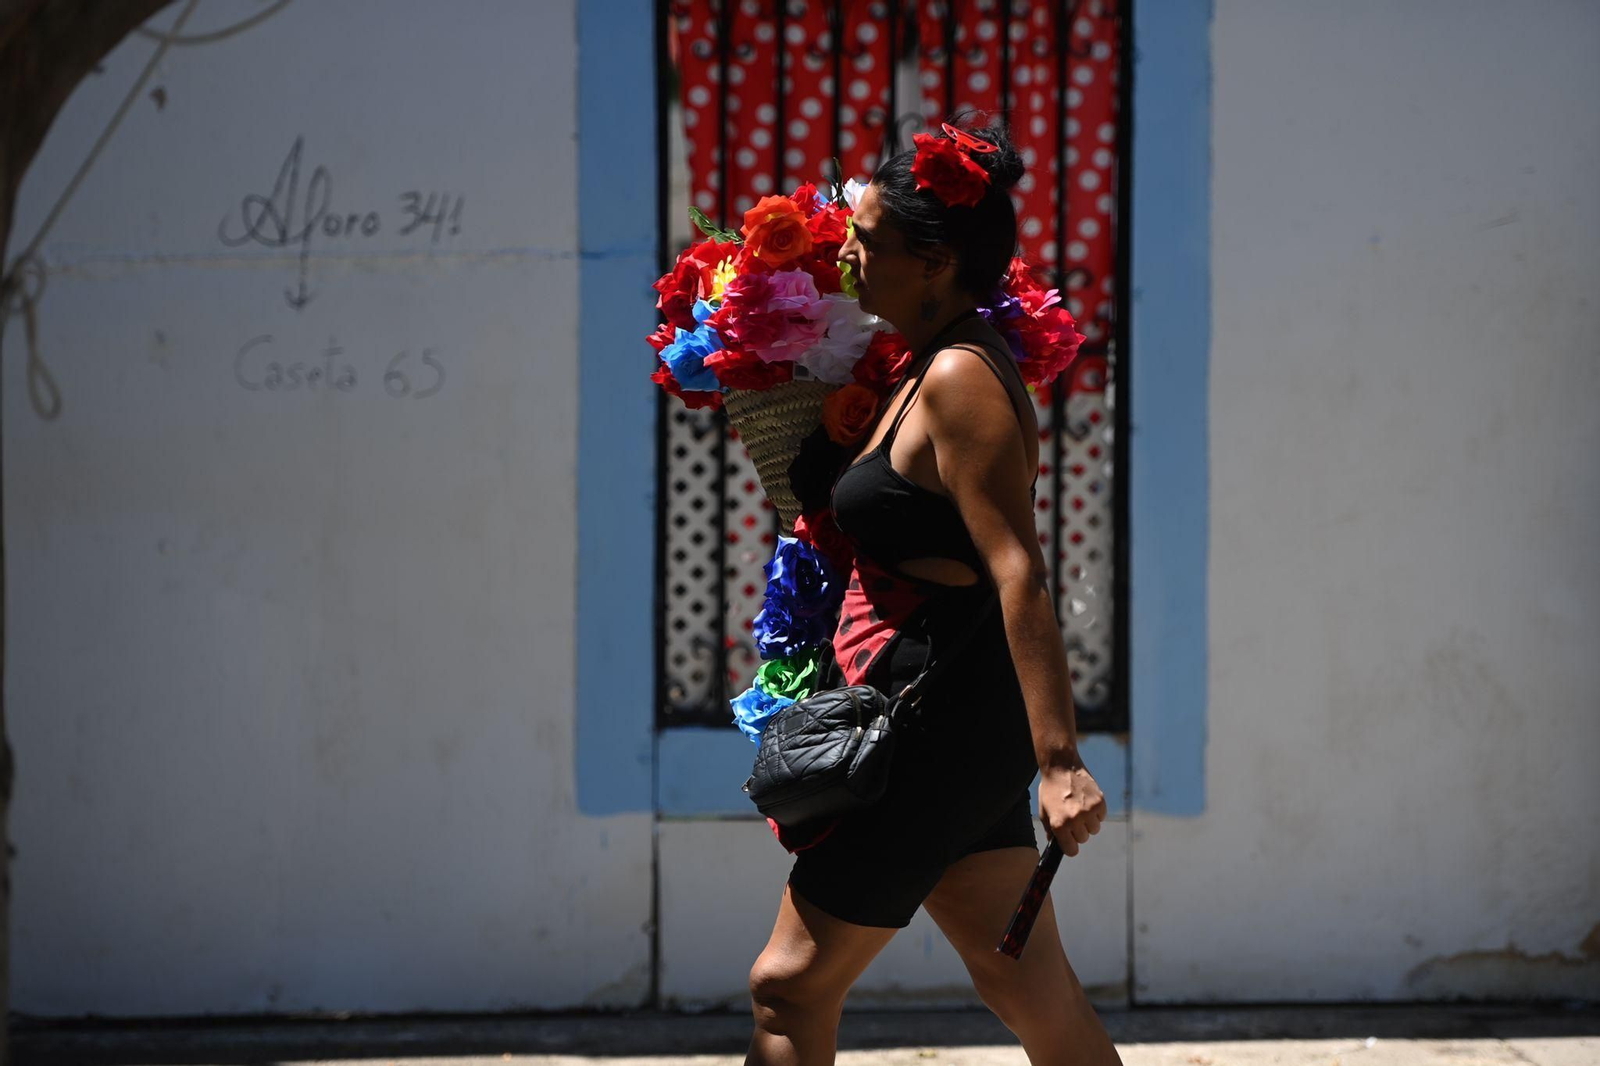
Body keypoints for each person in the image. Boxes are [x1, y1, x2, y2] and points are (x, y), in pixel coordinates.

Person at [743, 115, 1124, 1066]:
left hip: (931, 720)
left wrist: (1059, 760)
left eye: (868, 243)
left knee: (790, 986)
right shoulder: (920, 368)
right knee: (1024, 981)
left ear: (937, 260)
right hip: (940, 708)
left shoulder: (963, 380)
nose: (851, 258)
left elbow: (1018, 569)